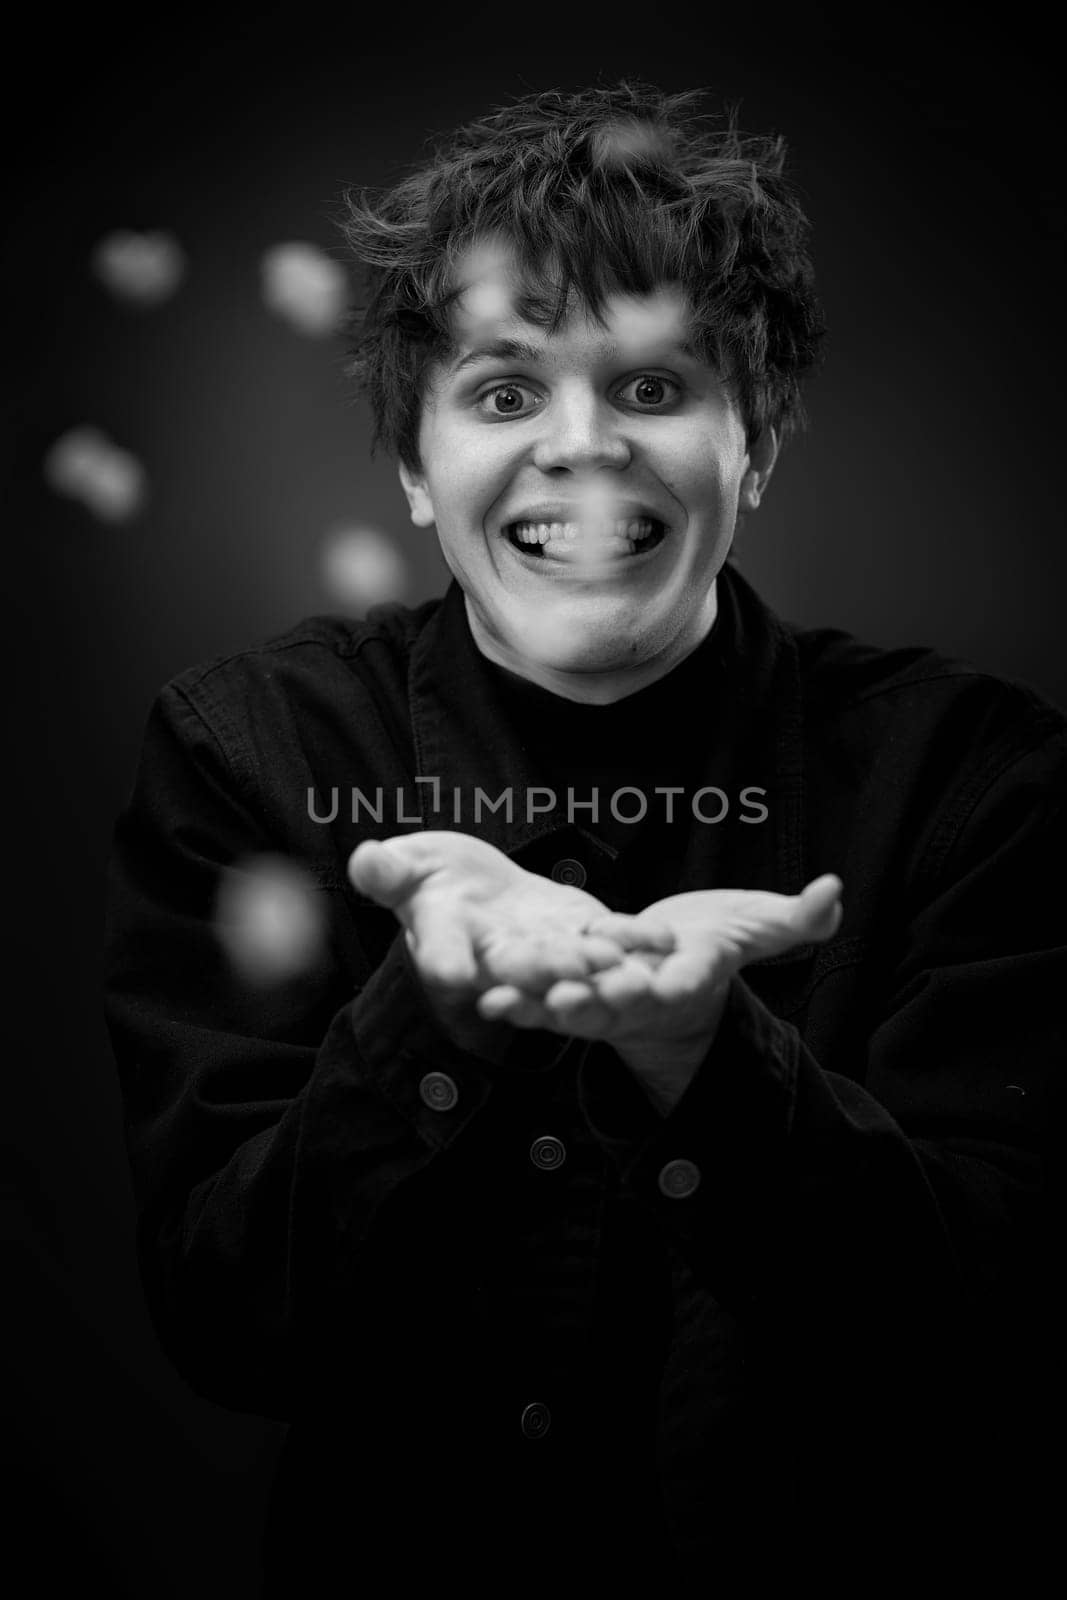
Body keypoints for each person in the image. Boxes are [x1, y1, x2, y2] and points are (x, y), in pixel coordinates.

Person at [104, 83, 1063, 1590]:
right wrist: (426, 1016)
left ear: (755, 446)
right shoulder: (251, 758)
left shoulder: (976, 780)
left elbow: (1000, 1341)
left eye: (653, 388)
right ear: (418, 471)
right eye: (502, 394)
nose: (581, 450)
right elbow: (231, 1321)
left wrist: (714, 1066)